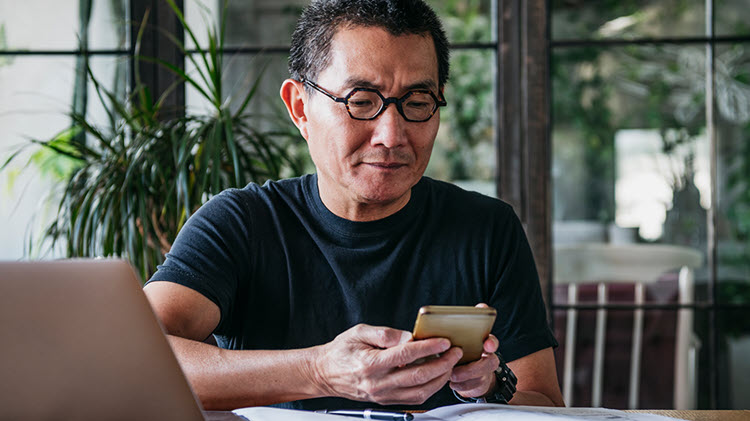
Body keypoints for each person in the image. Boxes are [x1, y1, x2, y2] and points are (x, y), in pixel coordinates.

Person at [144, 0, 564, 412]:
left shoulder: (486, 229)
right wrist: (319, 371)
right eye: (361, 101)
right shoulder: (241, 223)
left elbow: (544, 402)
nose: (391, 136)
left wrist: (488, 386)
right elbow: (138, 357)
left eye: (417, 102)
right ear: (299, 108)